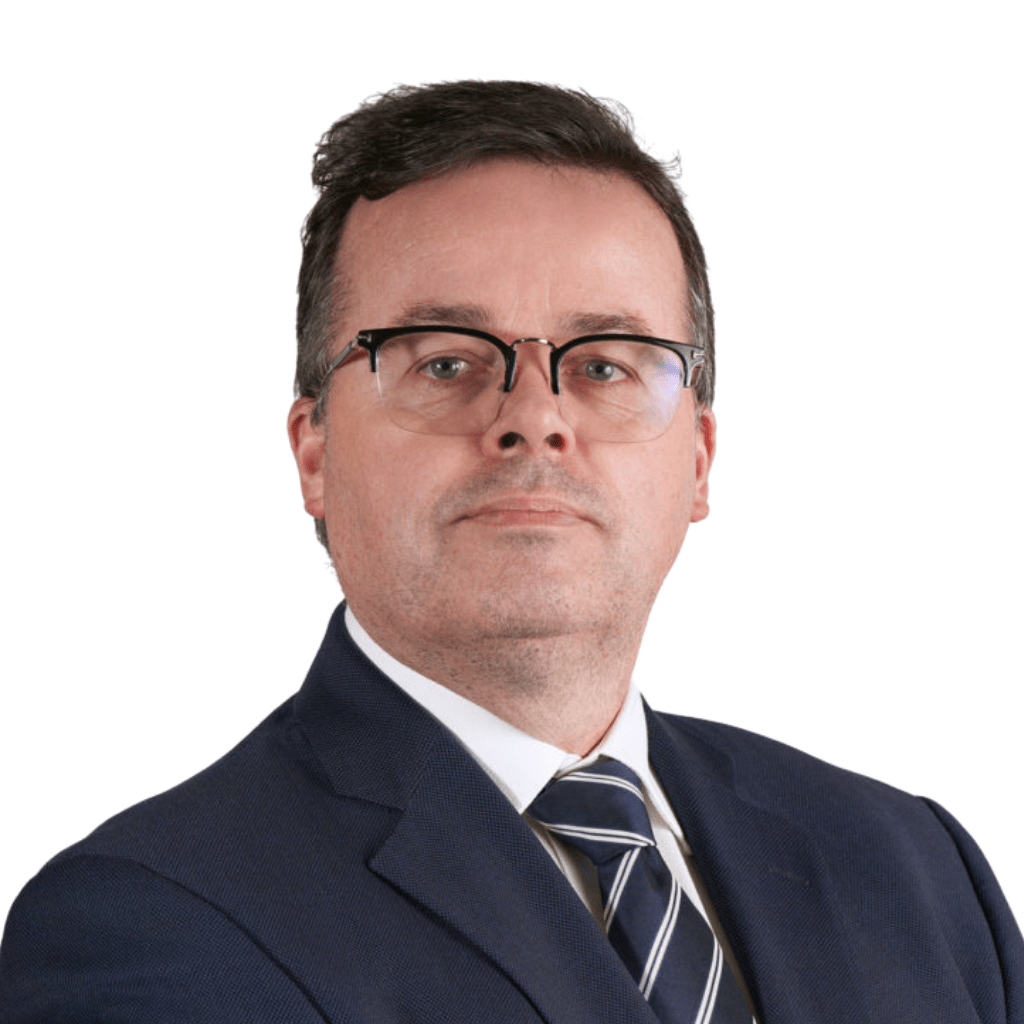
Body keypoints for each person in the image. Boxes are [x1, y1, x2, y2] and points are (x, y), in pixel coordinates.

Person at [1, 80, 1021, 1024]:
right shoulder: (149, 924)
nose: (534, 417)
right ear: (315, 452)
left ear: (699, 459)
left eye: (607, 365)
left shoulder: (917, 871)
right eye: (445, 361)